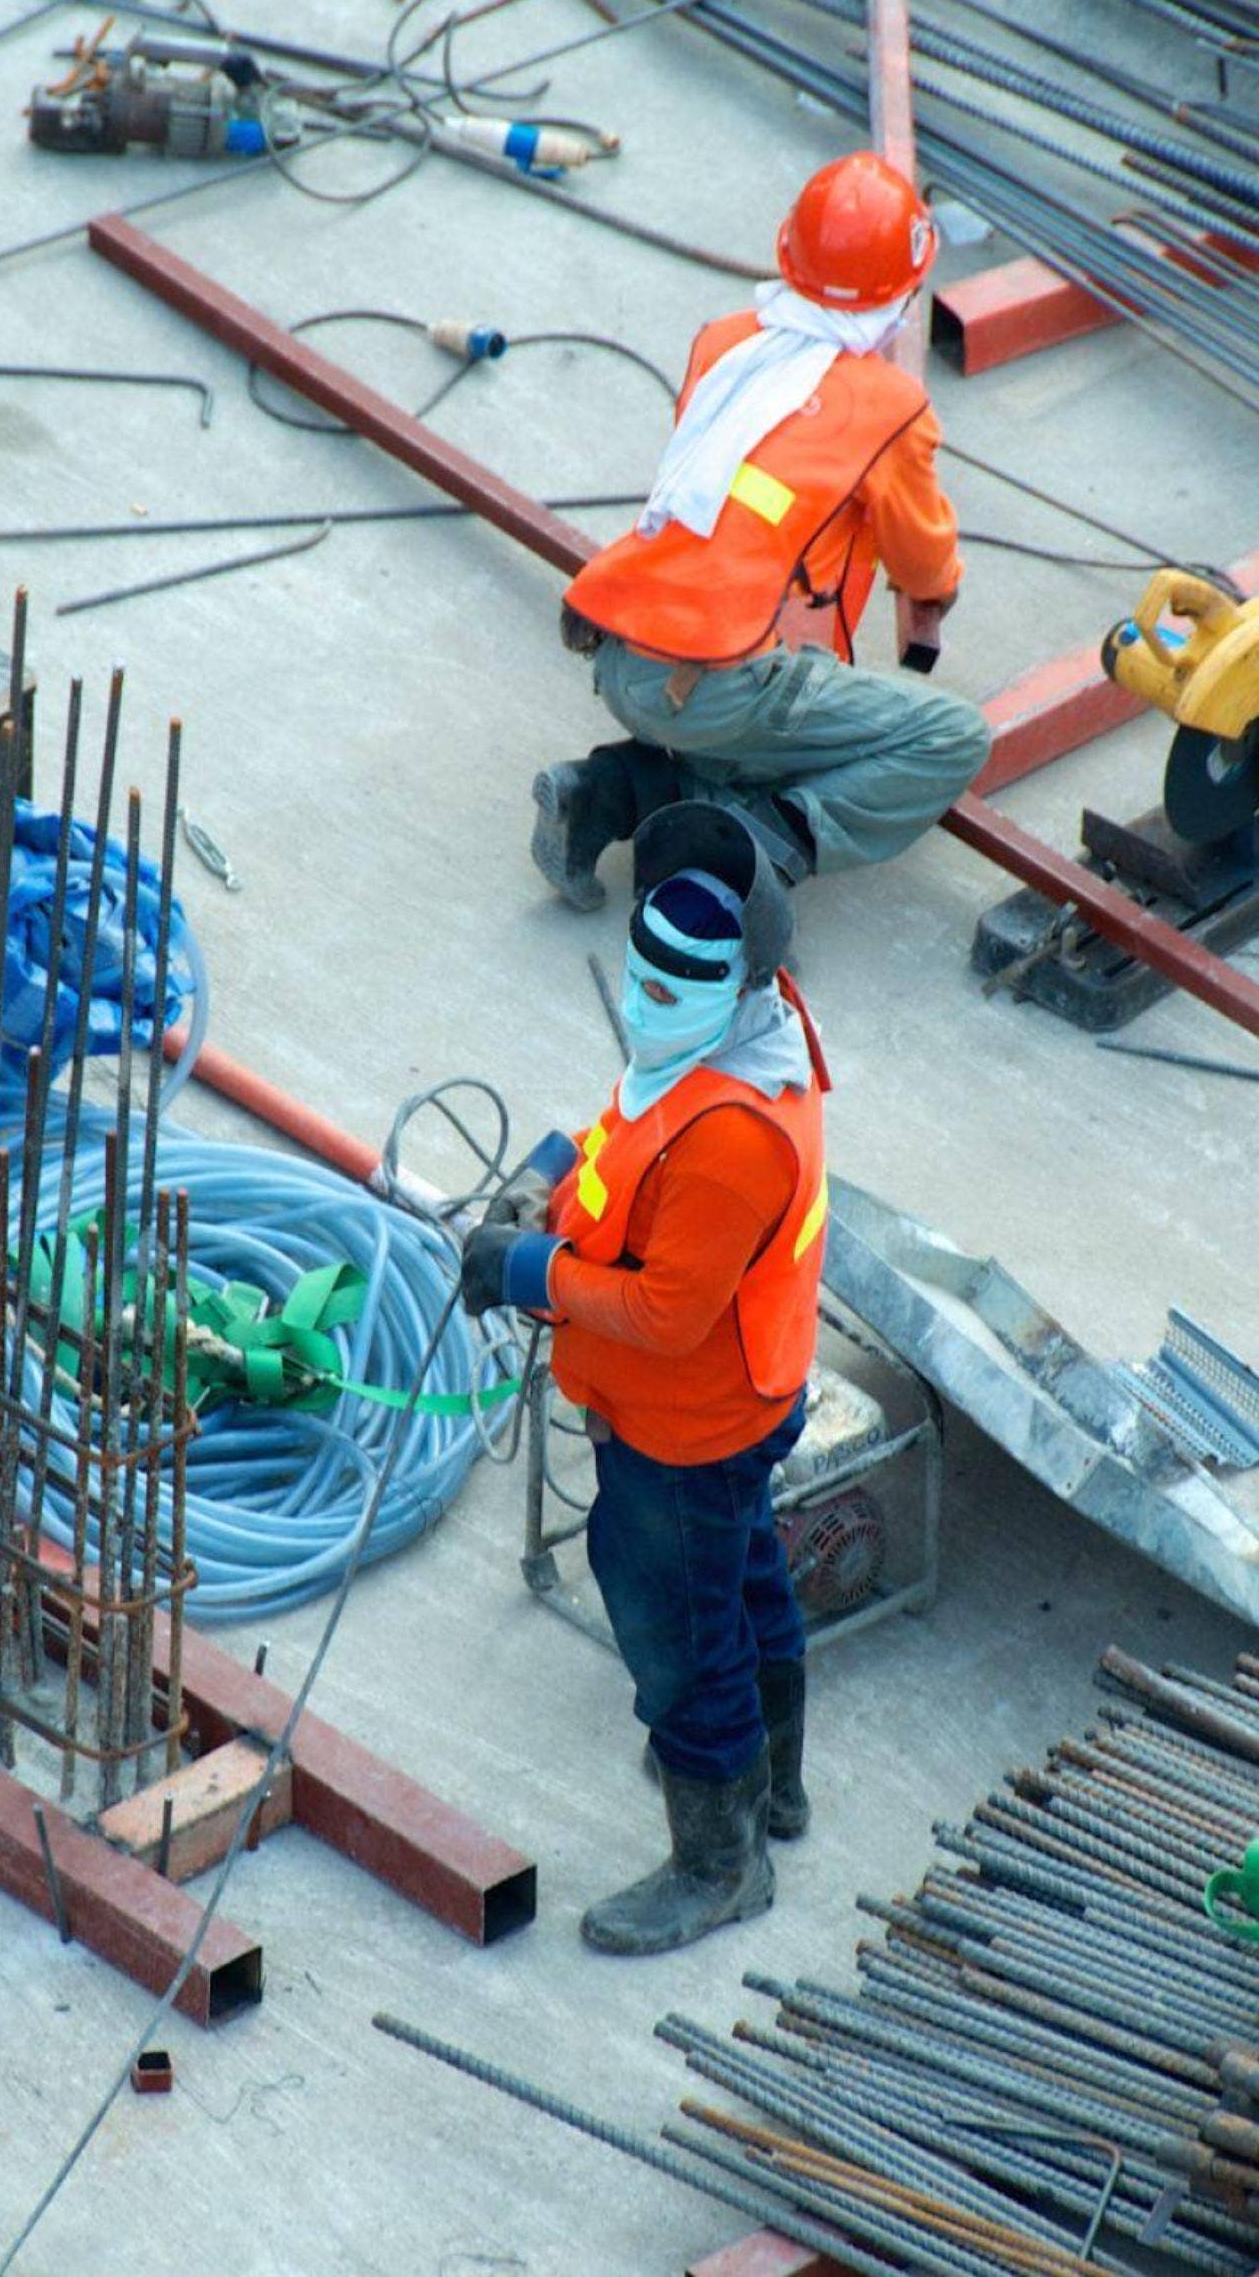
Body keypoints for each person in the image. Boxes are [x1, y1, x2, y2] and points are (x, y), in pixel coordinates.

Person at [462, 804, 827, 1955]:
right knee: (744, 1578)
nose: (646, 1004)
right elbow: (628, 1134)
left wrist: (528, 1269)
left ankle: (722, 1865)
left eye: (674, 989)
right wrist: (550, 1174)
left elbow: (668, 1314)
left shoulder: (733, 1138)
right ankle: (771, 1789)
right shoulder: (733, 1041)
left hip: (687, 1429)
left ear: (740, 981)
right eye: (639, 977)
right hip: (741, 1402)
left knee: (682, 1642)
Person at [532, 152, 990, 912]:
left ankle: (604, 793)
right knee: (950, 737)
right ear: (904, 293)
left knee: (766, 724)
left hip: (620, 648)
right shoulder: (889, 407)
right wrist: (937, 591)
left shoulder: (726, 343)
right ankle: (750, 847)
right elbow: (921, 561)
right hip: (718, 684)